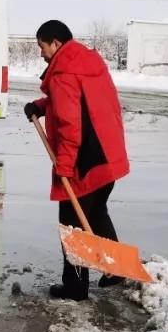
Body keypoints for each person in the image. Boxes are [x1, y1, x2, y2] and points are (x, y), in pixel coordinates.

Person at [24, 19, 130, 300]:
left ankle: (75, 287)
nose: (41, 52)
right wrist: (41, 106)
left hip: (84, 162)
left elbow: (71, 125)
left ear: (56, 43)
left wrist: (66, 167)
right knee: (95, 212)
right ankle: (116, 268)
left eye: (42, 46)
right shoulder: (87, 65)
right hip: (106, 158)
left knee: (72, 224)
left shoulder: (62, 75)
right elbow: (75, 102)